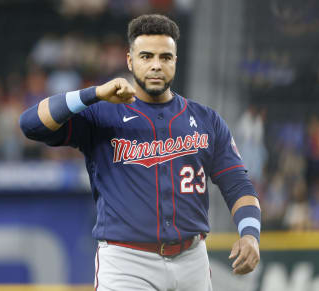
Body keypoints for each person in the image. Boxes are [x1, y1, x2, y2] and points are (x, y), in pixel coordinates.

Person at [19, 14, 260, 291]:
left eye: (165, 57)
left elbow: (238, 185)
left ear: (175, 62)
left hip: (192, 257)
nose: (156, 65)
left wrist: (250, 234)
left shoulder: (206, 120)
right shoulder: (101, 114)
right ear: (130, 61)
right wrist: (93, 94)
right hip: (126, 261)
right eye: (146, 56)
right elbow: (30, 125)